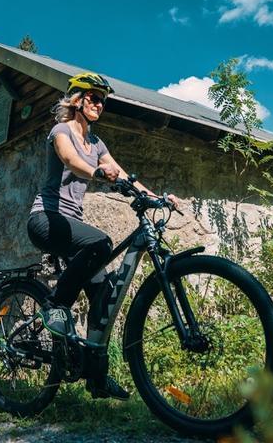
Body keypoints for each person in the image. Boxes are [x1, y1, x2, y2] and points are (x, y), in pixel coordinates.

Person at [28, 72, 181, 401]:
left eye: (103, 100)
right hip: (47, 220)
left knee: (106, 290)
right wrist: (97, 172)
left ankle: (96, 378)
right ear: (78, 100)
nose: (100, 104)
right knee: (100, 243)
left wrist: (155, 198)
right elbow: (69, 159)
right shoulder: (61, 131)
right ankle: (55, 306)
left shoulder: (97, 143)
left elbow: (124, 175)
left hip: (71, 227)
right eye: (94, 98)